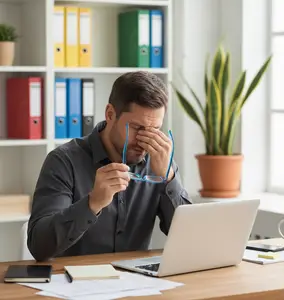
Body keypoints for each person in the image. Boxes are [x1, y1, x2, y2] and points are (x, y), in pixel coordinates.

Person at [27, 71, 192, 261]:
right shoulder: (64, 161)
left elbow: (191, 239)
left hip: (137, 283)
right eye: (137, 128)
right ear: (110, 114)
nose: (144, 141)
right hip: (74, 283)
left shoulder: (160, 162)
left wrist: (169, 179)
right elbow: (39, 246)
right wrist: (92, 203)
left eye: (154, 130)